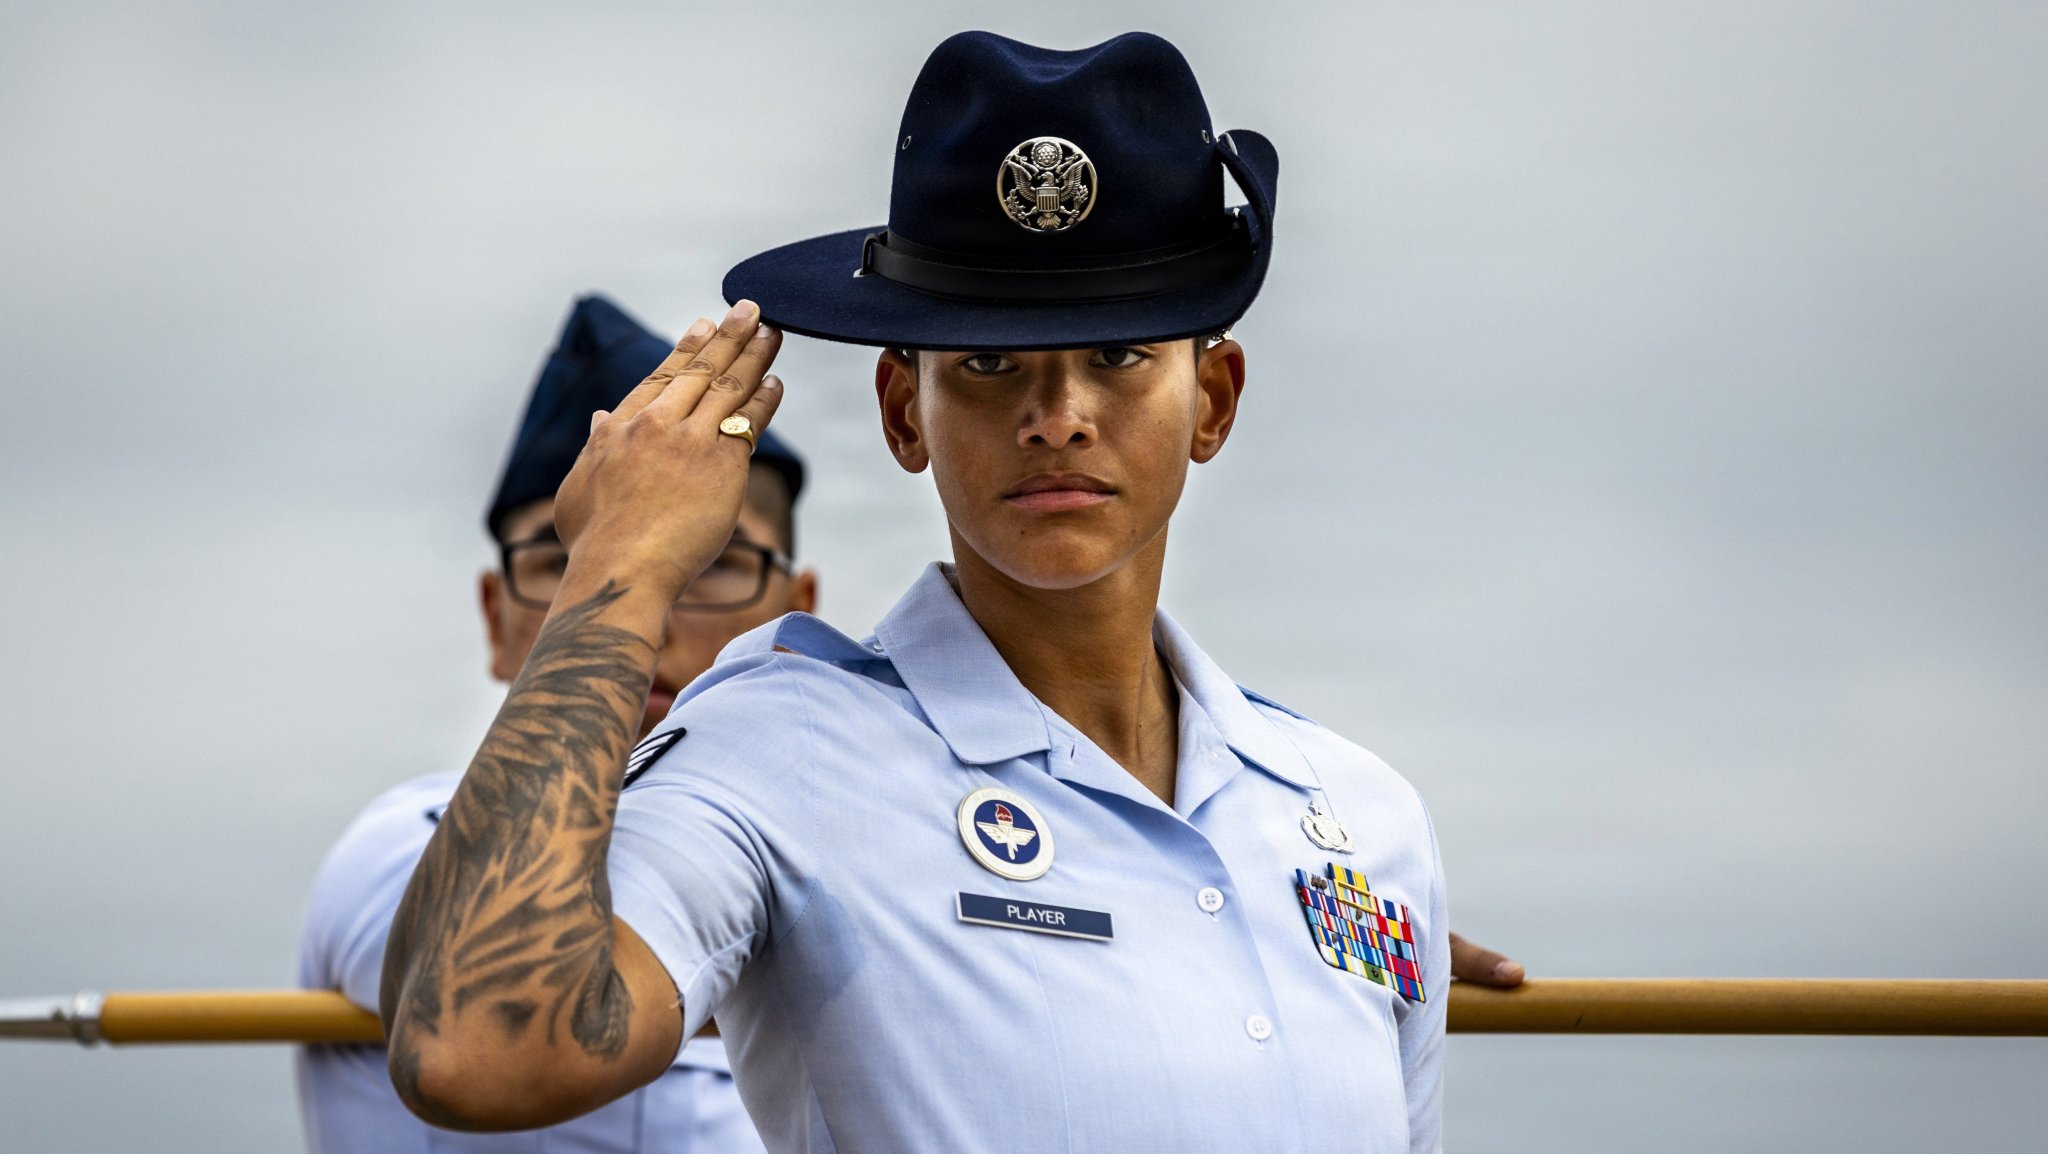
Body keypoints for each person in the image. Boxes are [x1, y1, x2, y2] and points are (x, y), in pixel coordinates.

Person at [381, 32, 1501, 1153]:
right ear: (901, 411)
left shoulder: (1359, 818)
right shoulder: (787, 746)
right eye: (984, 361)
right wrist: (618, 564)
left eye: (1116, 355)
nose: (1055, 412)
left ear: (1210, 397)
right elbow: (472, 1050)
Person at [297, 294, 811, 1152]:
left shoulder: (832, 858)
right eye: (568, 562)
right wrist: (624, 566)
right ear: (497, 617)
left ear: (797, 612)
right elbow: (485, 1016)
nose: (661, 600)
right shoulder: (396, 853)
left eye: (712, 559)